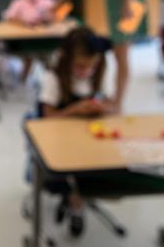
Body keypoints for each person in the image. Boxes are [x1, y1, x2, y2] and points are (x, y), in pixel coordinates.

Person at [37, 27, 114, 236]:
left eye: (92, 65)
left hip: (90, 139)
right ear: (65, 58)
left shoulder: (98, 73)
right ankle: (76, 206)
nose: (86, 70)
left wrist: (105, 108)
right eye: (80, 65)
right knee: (77, 175)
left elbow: (108, 103)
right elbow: (46, 119)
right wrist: (74, 110)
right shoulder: (53, 78)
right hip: (60, 143)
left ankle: (77, 200)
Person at [2, 0, 56, 84]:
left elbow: (56, 18)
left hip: (45, 40)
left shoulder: (48, 2)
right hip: (25, 42)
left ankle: (52, 82)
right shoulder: (18, 3)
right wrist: (23, 22)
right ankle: (24, 79)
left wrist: (48, 19)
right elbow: (9, 17)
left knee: (50, 61)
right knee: (28, 57)